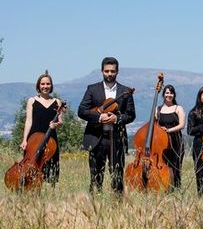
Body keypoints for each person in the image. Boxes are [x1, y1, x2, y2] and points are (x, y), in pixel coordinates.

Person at [78, 57, 136, 194]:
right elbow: (82, 111)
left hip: (117, 139)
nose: (109, 74)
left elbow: (131, 115)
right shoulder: (92, 89)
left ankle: (117, 206)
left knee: (117, 175)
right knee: (95, 175)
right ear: (102, 71)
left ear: (117, 72)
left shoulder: (126, 91)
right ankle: (95, 205)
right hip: (97, 138)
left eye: (112, 71)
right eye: (107, 71)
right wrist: (99, 117)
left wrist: (117, 118)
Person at [19, 71, 64, 186]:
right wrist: (24, 140)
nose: (45, 86)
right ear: (38, 85)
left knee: (50, 167)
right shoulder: (32, 101)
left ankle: (49, 193)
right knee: (32, 164)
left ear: (51, 85)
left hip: (51, 140)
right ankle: (29, 189)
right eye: (43, 84)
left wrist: (56, 125)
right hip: (33, 139)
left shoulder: (57, 102)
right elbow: (28, 121)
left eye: (48, 84)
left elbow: (60, 122)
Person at [156, 84, 185, 191]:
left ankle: (176, 190)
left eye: (171, 93)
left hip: (175, 141)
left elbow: (182, 125)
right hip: (161, 143)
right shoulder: (158, 109)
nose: (169, 95)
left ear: (174, 95)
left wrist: (169, 130)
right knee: (163, 166)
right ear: (163, 94)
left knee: (175, 167)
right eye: (167, 93)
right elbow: (154, 125)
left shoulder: (178, 108)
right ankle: (164, 188)